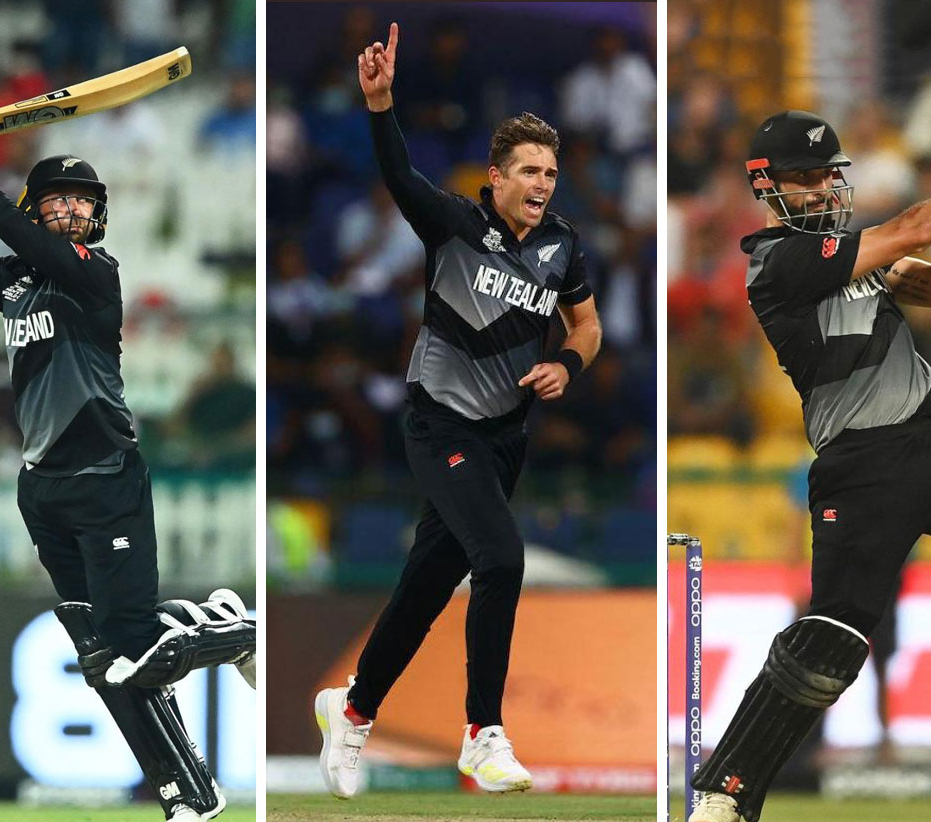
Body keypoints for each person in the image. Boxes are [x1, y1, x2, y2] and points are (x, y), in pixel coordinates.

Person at [0, 108, 256, 822]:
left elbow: (13, 231)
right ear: (36, 208)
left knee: (137, 649)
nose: (70, 208)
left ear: (98, 217)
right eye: (55, 199)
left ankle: (238, 630)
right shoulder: (15, 286)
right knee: (102, 659)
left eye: (82, 200)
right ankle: (191, 795)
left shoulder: (94, 277)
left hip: (106, 479)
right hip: (42, 490)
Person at [689, 109, 931, 822]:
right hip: (862, 465)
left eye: (831, 172)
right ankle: (723, 790)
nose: (825, 186)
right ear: (767, 189)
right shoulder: (777, 264)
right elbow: (913, 229)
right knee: (834, 637)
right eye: (806, 178)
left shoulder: (860, 256)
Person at [314, 23, 602, 799]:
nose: (543, 185)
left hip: (506, 438)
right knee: (501, 560)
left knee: (425, 588)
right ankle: (484, 733)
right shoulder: (452, 223)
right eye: (530, 172)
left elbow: (589, 326)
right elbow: (399, 173)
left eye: (551, 172)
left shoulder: (563, 248)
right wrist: (380, 105)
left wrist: (566, 366)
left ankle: (352, 708)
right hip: (440, 423)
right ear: (496, 177)